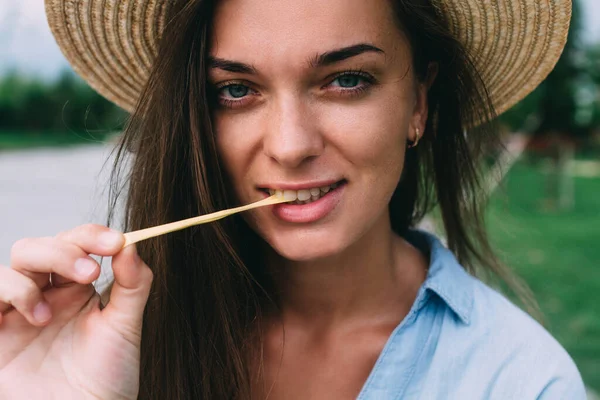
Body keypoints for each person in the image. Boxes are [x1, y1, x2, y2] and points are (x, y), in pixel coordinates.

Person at [0, 0, 586, 398]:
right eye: (235, 90)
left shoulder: (521, 381)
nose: (290, 146)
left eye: (346, 79)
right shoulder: (123, 343)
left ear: (418, 101)